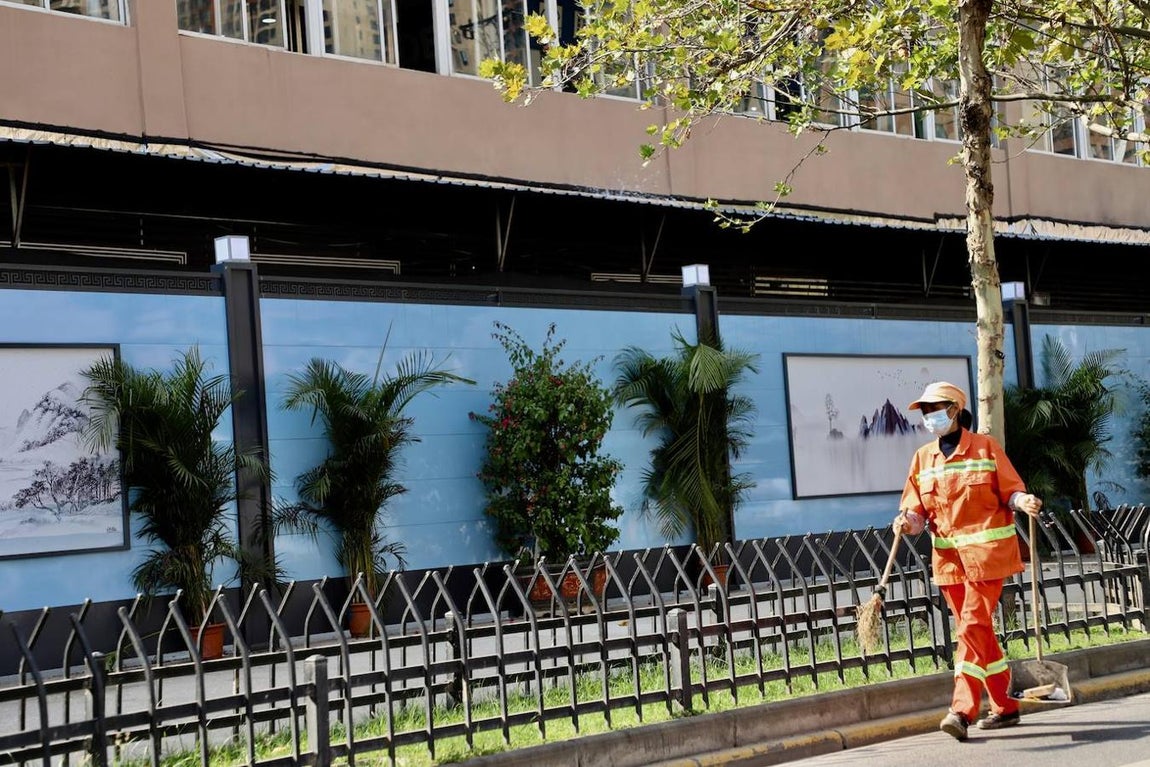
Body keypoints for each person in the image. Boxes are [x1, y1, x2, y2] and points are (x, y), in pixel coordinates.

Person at [893, 381, 1043, 742]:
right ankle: (1006, 708)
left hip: (987, 559)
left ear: (955, 410)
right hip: (949, 564)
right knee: (980, 636)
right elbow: (915, 511)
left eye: (935, 409)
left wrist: (1022, 501)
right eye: (925, 411)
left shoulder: (985, 449)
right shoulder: (922, 458)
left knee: (970, 628)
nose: (930, 416)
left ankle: (961, 710)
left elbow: (1011, 490)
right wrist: (907, 522)